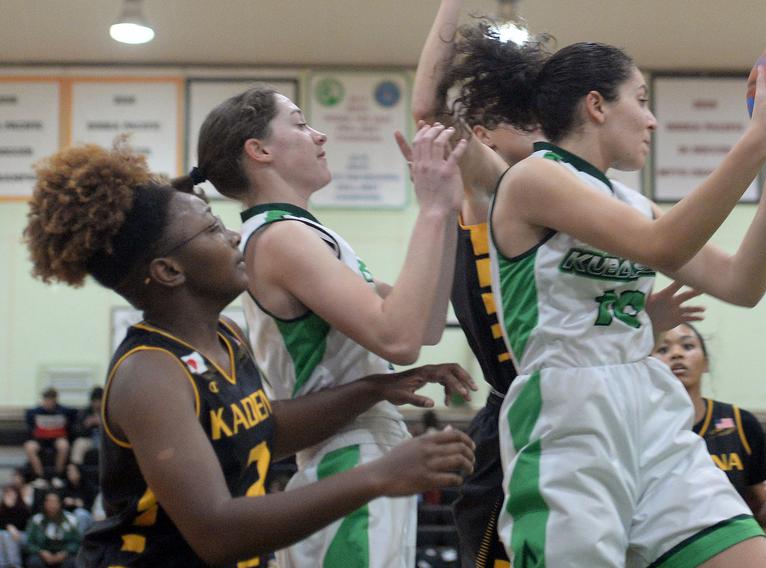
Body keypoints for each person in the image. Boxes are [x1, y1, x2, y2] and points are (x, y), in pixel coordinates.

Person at [442, 34, 766, 566]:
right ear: (596, 106)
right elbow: (661, 246)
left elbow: (741, 284)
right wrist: (755, 139)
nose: (652, 119)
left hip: (649, 406)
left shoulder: (632, 202)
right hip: (568, 413)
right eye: (640, 100)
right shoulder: (533, 178)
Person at [23, 141, 475, 567]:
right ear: (168, 270)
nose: (236, 237)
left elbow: (262, 430)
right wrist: (380, 475)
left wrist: (376, 387)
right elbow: (216, 532)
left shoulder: (226, 338)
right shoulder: (150, 375)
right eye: (212, 229)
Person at [410, 5, 703, 566]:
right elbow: (428, 109)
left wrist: (638, 317)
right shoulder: (500, 185)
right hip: (523, 408)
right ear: (481, 133)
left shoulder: (584, 203)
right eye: (523, 122)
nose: (539, 130)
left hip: (574, 402)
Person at [195, 87, 474, 568]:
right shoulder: (282, 236)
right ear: (259, 150)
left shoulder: (302, 232)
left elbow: (424, 324)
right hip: (344, 453)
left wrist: (446, 208)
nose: (319, 134)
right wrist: (428, 209)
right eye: (300, 123)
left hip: (360, 451)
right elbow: (399, 339)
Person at [652, 323, 766, 534]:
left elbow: (763, 524)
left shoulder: (740, 422)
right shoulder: (639, 428)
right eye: (663, 349)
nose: (676, 354)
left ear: (706, 362)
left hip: (723, 547)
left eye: (687, 346)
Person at [23, 389, 76, 487]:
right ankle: (40, 476)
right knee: (29, 447)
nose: (48, 402)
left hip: (56, 439)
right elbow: (29, 424)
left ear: (55, 400)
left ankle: (58, 475)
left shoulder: (63, 411)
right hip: (40, 440)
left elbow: (72, 417)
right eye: (46, 400)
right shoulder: (35, 412)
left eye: (50, 400)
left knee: (64, 445)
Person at [23, 493, 80, 568]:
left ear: (60, 503)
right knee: (33, 562)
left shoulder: (70, 519)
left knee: (73, 562)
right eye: (48, 501)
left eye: (55, 502)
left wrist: (65, 553)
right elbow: (28, 542)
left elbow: (77, 542)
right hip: (42, 553)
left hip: (64, 554)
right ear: (44, 503)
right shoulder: (36, 520)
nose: (52, 504)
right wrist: (41, 552)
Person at [69, 387, 103, 466]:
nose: (97, 404)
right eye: (95, 401)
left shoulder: (109, 413)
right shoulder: (84, 413)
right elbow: (76, 431)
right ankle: (74, 468)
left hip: (104, 441)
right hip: (89, 439)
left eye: (99, 401)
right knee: (79, 443)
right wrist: (86, 425)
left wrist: (102, 424)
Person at [0, 484, 30, 568]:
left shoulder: (23, 508)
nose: (9, 496)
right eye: (7, 493)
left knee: (6, 535)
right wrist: (9, 527)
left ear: (17, 494)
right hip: (7, 536)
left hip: (22, 536)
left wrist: (11, 508)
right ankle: (2, 564)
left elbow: (21, 524)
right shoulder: (2, 508)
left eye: (12, 493)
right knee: (3, 535)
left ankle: (14, 565)